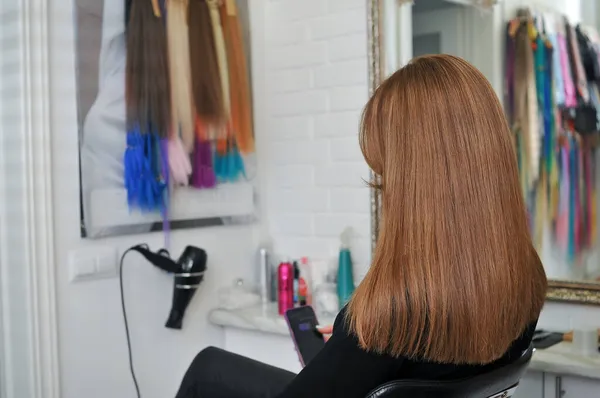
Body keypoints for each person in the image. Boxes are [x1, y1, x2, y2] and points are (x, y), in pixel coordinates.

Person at [175, 54, 548, 398]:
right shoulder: (525, 276)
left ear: (415, 185)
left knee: (209, 369)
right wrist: (346, 350)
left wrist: (354, 341)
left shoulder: (394, 311)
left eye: (388, 175)